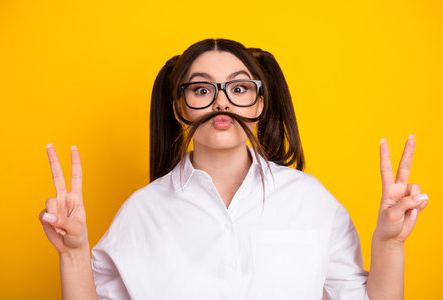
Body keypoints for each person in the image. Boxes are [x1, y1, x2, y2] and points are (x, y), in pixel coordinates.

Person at [39, 38, 428, 300]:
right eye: (202, 89)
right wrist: (73, 254)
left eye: (239, 88)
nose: (221, 102)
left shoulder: (310, 200)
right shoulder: (142, 211)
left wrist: (390, 244)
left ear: (259, 103)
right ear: (180, 107)